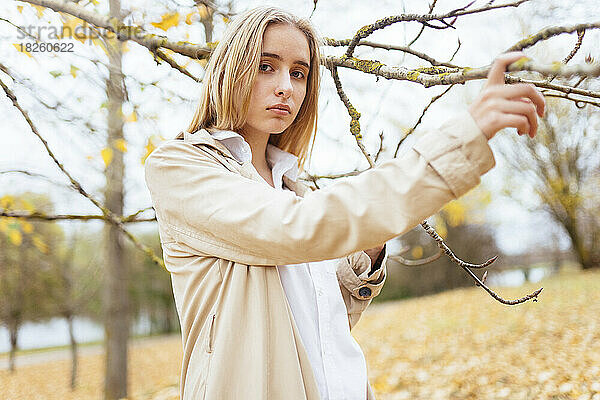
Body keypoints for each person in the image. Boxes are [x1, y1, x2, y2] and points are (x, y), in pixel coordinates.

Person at [144, 6, 545, 400]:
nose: (286, 86)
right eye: (267, 66)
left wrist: (365, 254)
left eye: (299, 73)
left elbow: (320, 323)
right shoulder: (180, 168)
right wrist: (461, 140)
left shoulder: (296, 189)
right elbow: (294, 228)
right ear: (230, 71)